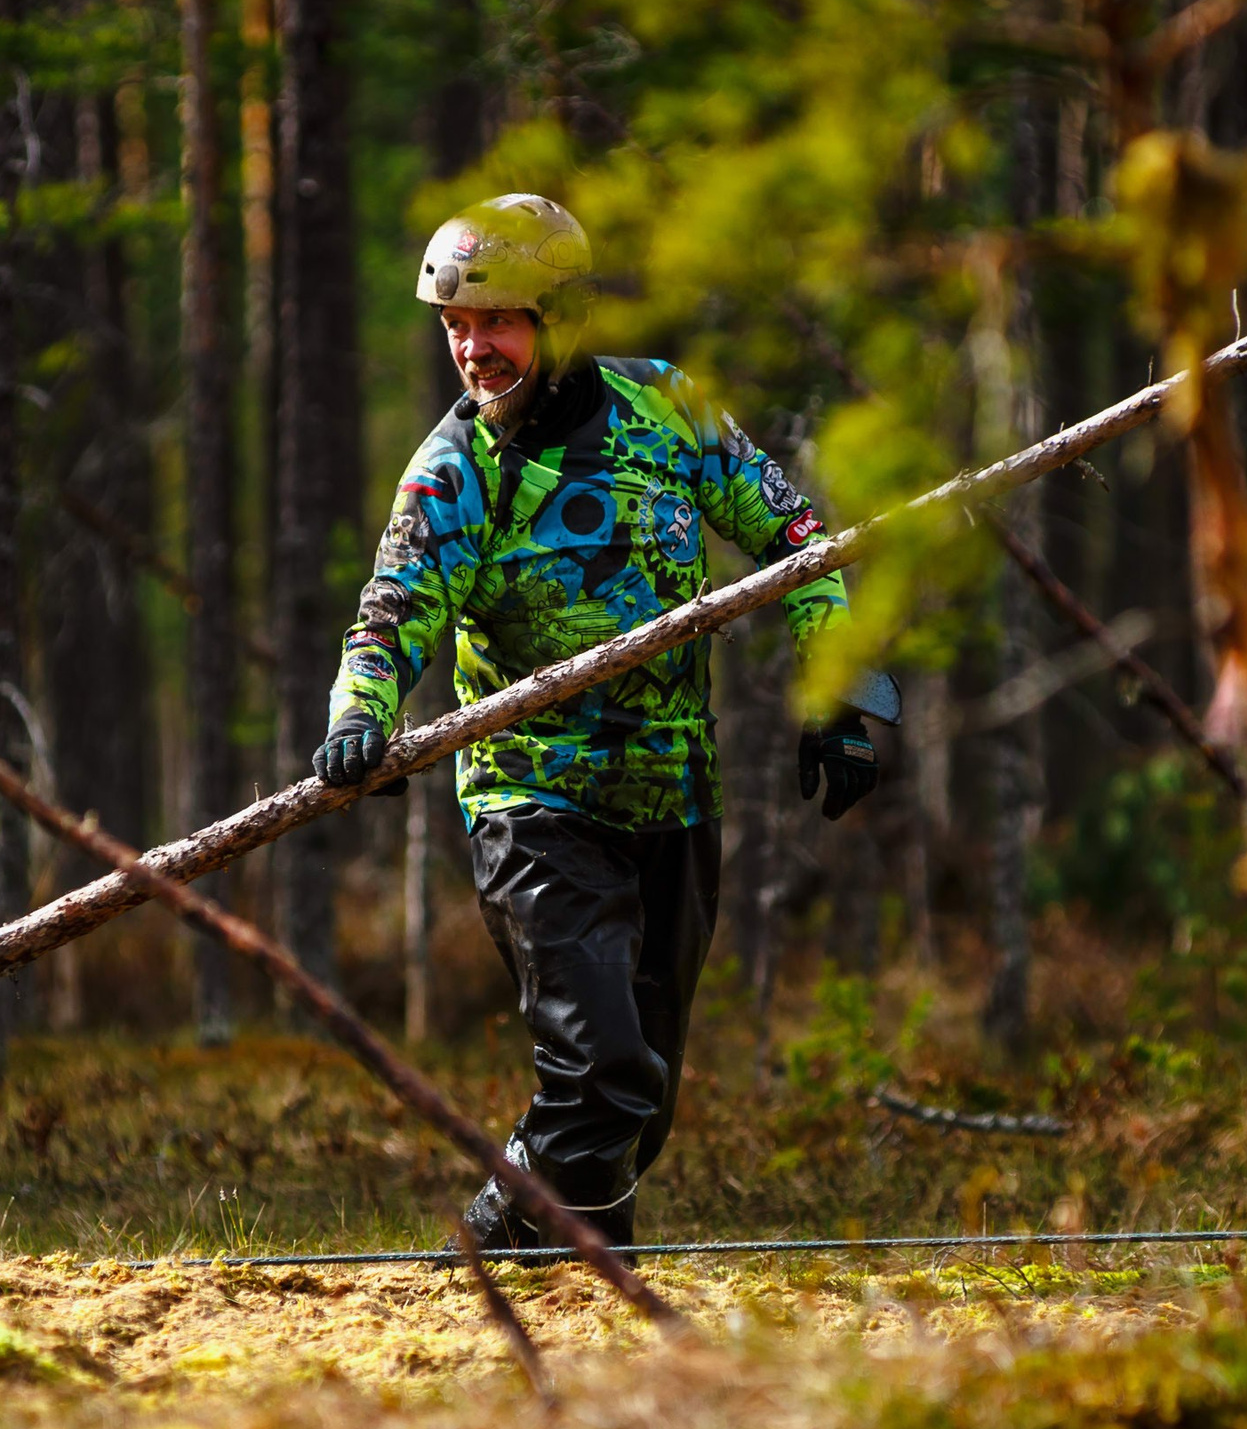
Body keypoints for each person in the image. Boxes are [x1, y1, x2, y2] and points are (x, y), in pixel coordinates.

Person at [310, 193, 896, 1251]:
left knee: (638, 1105)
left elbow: (796, 537)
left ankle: (557, 1272)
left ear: (566, 318)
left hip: (676, 795)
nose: (472, 349)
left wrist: (844, 690)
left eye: (498, 321)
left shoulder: (668, 406)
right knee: (600, 1073)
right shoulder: (453, 472)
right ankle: (515, 1251)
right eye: (455, 326)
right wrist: (361, 714)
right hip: (533, 800)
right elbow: (390, 616)